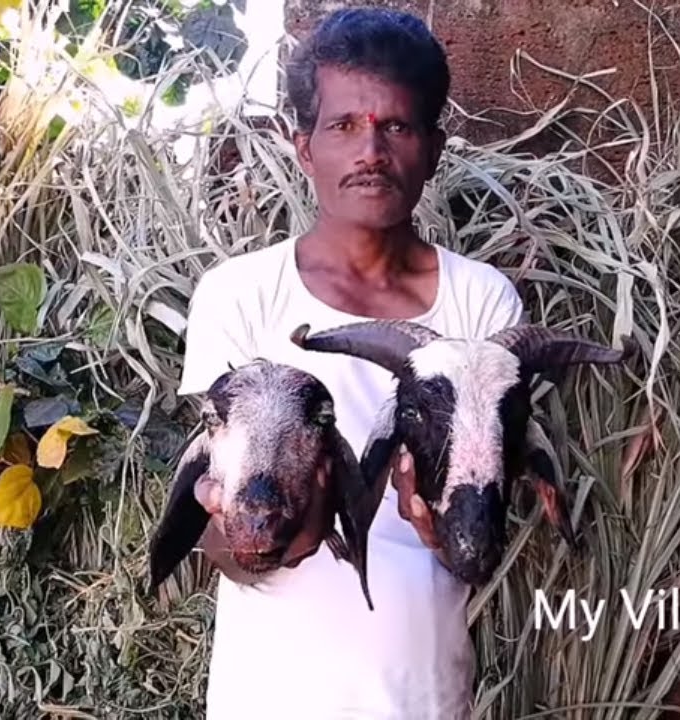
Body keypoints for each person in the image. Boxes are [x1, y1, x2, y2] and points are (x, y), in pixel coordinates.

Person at [176, 7, 525, 719]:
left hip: (422, 696)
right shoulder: (240, 295)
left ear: (433, 148)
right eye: (343, 126)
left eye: (396, 127)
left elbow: (485, 522)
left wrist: (448, 532)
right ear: (303, 147)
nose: (371, 151)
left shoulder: (482, 302)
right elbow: (214, 539)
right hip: (266, 701)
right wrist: (261, 538)